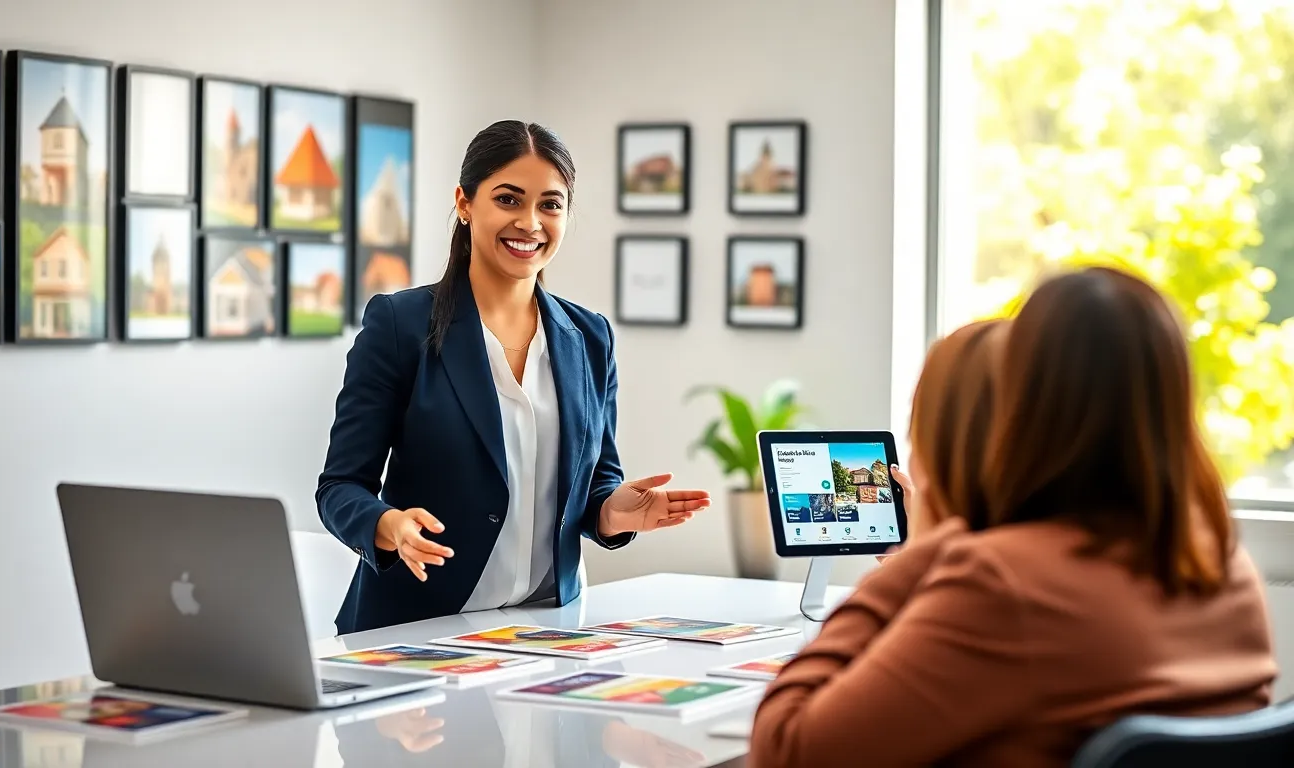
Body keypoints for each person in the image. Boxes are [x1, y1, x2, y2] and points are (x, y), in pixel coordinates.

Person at [749, 266, 1277, 768]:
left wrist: (923, 553)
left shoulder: (1004, 581)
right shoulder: (1222, 564)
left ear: (1031, 399)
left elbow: (789, 750)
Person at [316, 120, 710, 634]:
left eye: (550, 204)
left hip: (549, 630)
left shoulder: (590, 337)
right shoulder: (399, 325)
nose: (530, 222)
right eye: (508, 199)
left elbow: (595, 487)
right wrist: (386, 526)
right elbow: (340, 487)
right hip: (415, 631)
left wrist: (616, 513)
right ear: (465, 203)